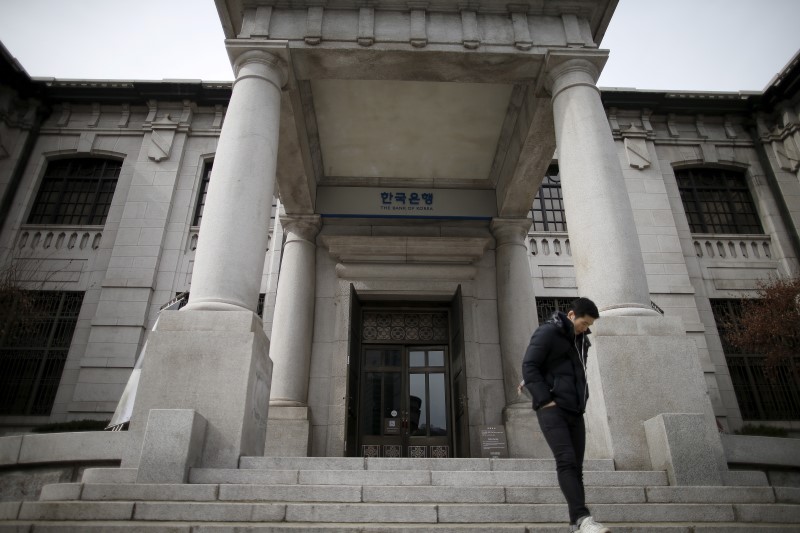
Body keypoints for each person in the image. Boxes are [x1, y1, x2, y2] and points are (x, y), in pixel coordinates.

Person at [520, 297, 609, 533]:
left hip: (575, 409)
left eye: (589, 325)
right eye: (583, 323)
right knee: (566, 461)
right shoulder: (548, 332)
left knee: (576, 467)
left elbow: (570, 371)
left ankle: (576, 523)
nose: (585, 328)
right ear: (571, 315)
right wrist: (544, 398)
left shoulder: (581, 341)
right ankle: (583, 518)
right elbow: (529, 365)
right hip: (552, 409)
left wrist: (582, 399)